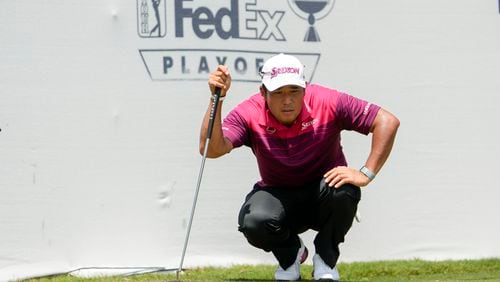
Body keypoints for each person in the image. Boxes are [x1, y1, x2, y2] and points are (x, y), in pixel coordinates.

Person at [199, 53, 399, 281]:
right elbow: (212, 149)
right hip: (278, 193)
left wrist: (366, 173)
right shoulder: (249, 112)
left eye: (294, 91)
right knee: (254, 221)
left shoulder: (327, 101)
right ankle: (291, 253)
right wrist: (217, 100)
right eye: (278, 93)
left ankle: (325, 259)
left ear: (305, 88)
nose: (287, 100)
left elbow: (386, 121)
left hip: (324, 192)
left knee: (346, 189)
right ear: (263, 92)